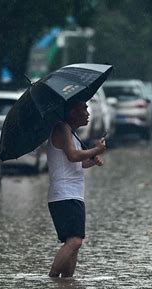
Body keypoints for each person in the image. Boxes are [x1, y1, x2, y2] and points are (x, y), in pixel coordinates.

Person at [47, 100, 106, 278]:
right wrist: (95, 149)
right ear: (73, 113)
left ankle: (65, 286)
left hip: (73, 194)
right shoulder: (62, 128)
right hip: (65, 194)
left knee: (74, 244)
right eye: (84, 108)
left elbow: (77, 163)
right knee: (74, 242)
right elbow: (73, 156)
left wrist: (91, 159)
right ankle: (52, 279)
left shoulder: (70, 133)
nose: (88, 112)